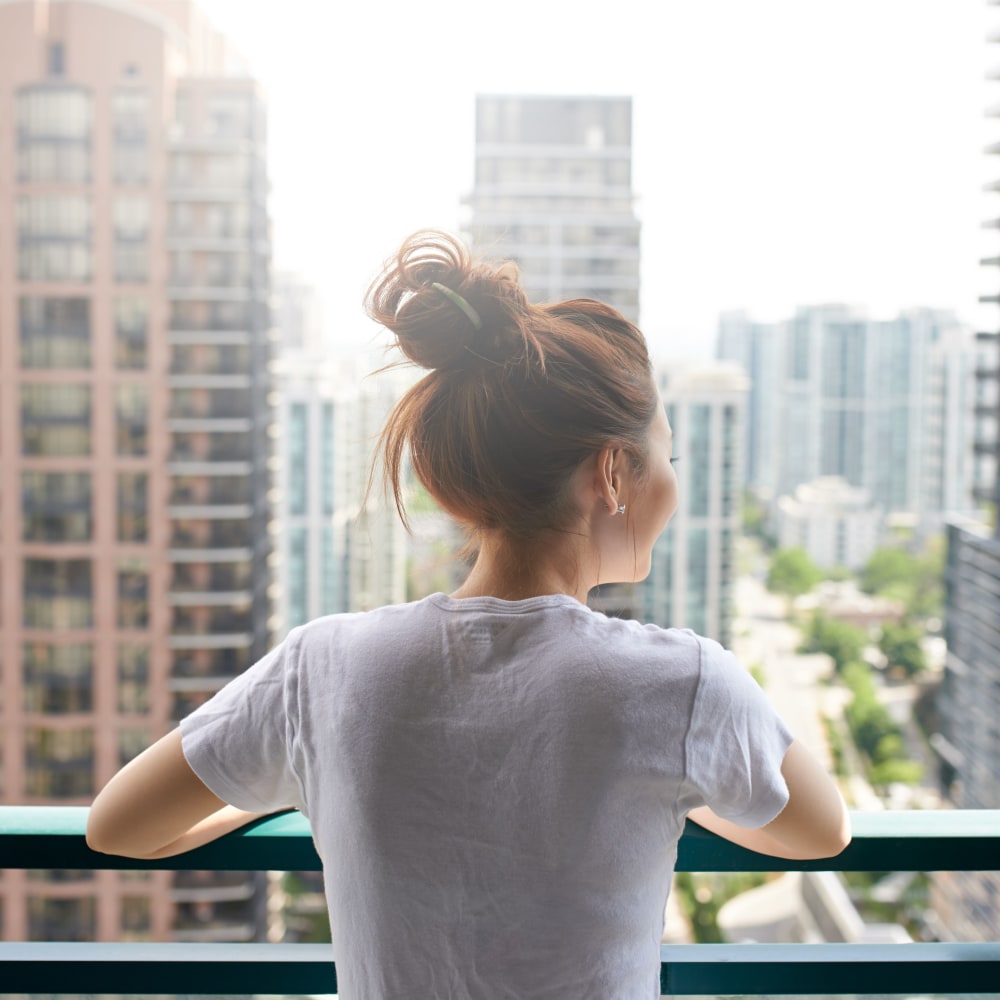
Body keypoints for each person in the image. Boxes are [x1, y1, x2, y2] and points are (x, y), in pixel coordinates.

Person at [87, 230, 850, 999]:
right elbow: (820, 831)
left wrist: (305, 794)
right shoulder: (684, 684)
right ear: (613, 473)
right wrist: (681, 791)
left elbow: (117, 825)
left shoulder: (325, 667)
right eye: (669, 460)